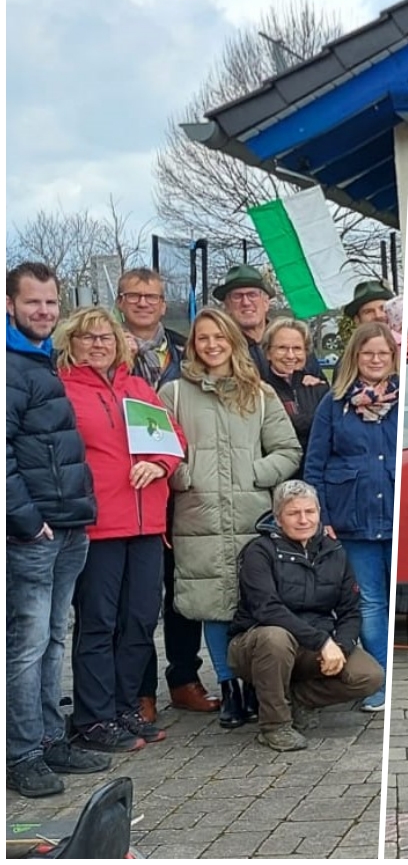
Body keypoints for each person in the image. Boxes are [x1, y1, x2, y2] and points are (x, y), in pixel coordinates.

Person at [159, 308, 302, 730]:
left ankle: (255, 683)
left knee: (252, 601)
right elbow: (162, 450)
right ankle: (229, 688)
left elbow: (287, 450)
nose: (211, 345)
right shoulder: (175, 394)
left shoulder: (259, 394)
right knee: (212, 605)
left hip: (250, 516)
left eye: (218, 337)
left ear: (233, 341)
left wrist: (255, 474)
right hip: (197, 515)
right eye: (202, 338)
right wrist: (185, 475)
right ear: (193, 345)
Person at [57, 307, 186, 754]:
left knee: (138, 621)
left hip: (147, 525)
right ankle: (93, 716)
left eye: (105, 338)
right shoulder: (63, 392)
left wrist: (159, 462)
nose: (97, 344)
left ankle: (124, 706)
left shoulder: (138, 389)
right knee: (98, 623)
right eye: (87, 338)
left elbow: (175, 441)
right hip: (98, 528)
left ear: (119, 344)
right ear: (70, 343)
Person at [7, 262, 108, 798]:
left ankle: (48, 739)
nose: (43, 312)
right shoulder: (10, 366)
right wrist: (27, 521)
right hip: (33, 533)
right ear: (10, 304)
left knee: (51, 641)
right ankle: (20, 754)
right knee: (24, 646)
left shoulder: (38, 362)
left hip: (68, 526)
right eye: (32, 303)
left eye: (50, 303)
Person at [117, 269, 219, 720]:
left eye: (152, 297)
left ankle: (184, 678)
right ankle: (141, 690)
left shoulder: (185, 348)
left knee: (182, 594)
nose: (143, 303)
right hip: (130, 491)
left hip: (183, 488)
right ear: (121, 301)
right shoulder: (104, 349)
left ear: (164, 303)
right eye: (134, 296)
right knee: (137, 601)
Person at [229, 481, 385, 751]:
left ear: (319, 512)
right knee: (275, 638)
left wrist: (342, 647)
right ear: (278, 518)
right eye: (293, 513)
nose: (304, 519)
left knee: (369, 676)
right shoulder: (259, 552)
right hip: (258, 644)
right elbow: (267, 609)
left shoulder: (335, 552)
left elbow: (350, 610)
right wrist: (323, 642)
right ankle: (274, 727)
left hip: (312, 643)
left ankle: (294, 699)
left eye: (310, 512)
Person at [305, 322, 400, 711]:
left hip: (397, 512)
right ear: (354, 357)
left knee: (395, 602)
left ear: (393, 357)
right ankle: (378, 681)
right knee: (371, 603)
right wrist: (322, 514)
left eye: (383, 353)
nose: (375, 360)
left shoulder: (404, 397)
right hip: (351, 519)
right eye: (367, 353)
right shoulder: (334, 403)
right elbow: (315, 464)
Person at [213, 265, 322, 380]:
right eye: (237, 296)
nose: (245, 302)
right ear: (227, 306)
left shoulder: (293, 338)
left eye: (252, 295)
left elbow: (323, 388)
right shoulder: (219, 347)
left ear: (266, 302)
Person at [261, 318, 330, 456]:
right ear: (268, 353)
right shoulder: (260, 391)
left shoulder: (320, 389)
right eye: (282, 348)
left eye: (297, 348)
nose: (290, 355)